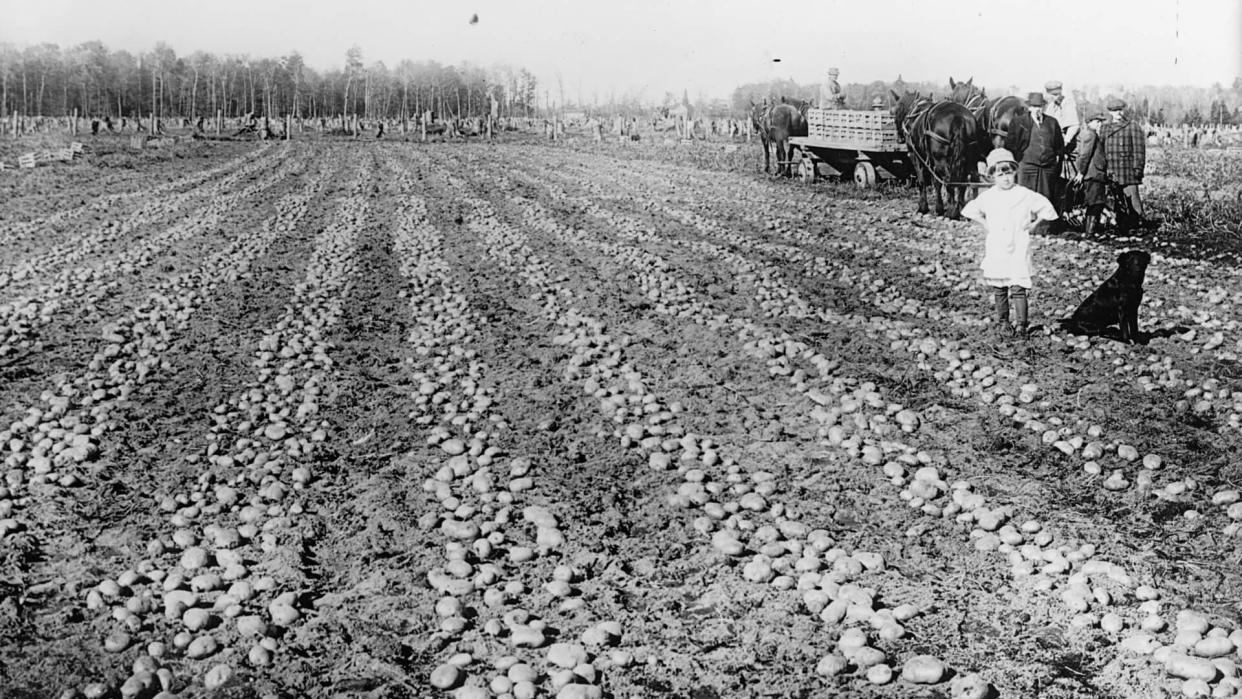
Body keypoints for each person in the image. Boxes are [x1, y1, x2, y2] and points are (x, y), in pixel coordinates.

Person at [961, 148, 1060, 337]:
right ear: (992, 176)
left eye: (1009, 173)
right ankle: (1003, 322)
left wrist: (1034, 224)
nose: (1005, 179)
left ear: (1015, 172)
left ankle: (1022, 324)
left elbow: (1046, 207)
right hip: (997, 245)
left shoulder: (1023, 194)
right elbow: (970, 210)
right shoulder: (989, 196)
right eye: (1000, 174)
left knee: (1018, 286)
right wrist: (985, 223)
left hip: (1018, 244)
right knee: (999, 286)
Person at [1011, 92, 1065, 212]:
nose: (1037, 109)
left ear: (1043, 107)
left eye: (1039, 106)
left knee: (1045, 199)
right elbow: (1011, 144)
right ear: (1029, 107)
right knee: (1024, 198)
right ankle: (1025, 227)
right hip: (1026, 167)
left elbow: (1059, 146)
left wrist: (1054, 162)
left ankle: (1043, 228)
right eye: (1034, 106)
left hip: (1047, 168)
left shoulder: (1052, 122)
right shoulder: (1019, 122)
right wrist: (1019, 160)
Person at [1100, 97, 1147, 224]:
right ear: (1110, 112)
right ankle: (1120, 225)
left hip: (1127, 170)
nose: (1118, 113)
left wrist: (1138, 169)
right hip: (1111, 170)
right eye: (1115, 111)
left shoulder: (1132, 126)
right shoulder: (1104, 128)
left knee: (1133, 200)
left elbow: (1139, 150)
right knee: (1115, 200)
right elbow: (1101, 149)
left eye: (1120, 110)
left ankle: (1138, 224)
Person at [1072, 113, 1109, 235]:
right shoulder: (1090, 134)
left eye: (1100, 121)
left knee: (1095, 202)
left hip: (1094, 173)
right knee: (1095, 203)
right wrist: (1081, 172)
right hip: (1093, 173)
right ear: (1089, 122)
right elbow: (1084, 155)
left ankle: (1090, 231)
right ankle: (1090, 233)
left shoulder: (1089, 133)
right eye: (1096, 121)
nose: (1099, 124)